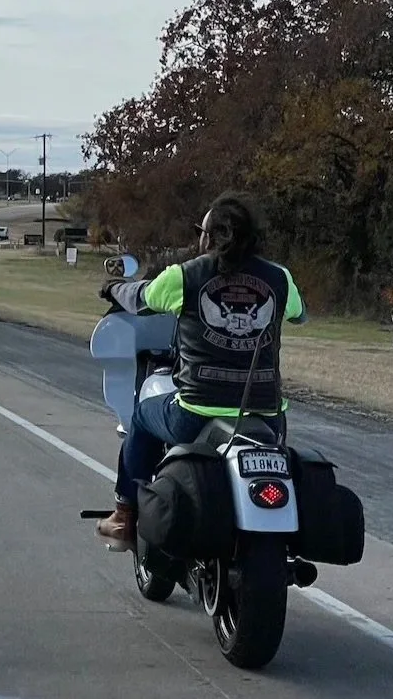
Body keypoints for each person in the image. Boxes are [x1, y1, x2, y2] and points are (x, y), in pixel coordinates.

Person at [96, 192, 308, 549]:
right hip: (268, 416)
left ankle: (124, 515)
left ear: (209, 237)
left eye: (202, 231)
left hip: (195, 412)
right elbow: (300, 315)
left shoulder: (187, 275)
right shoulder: (279, 278)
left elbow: (141, 298)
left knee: (143, 416)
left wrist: (115, 288)